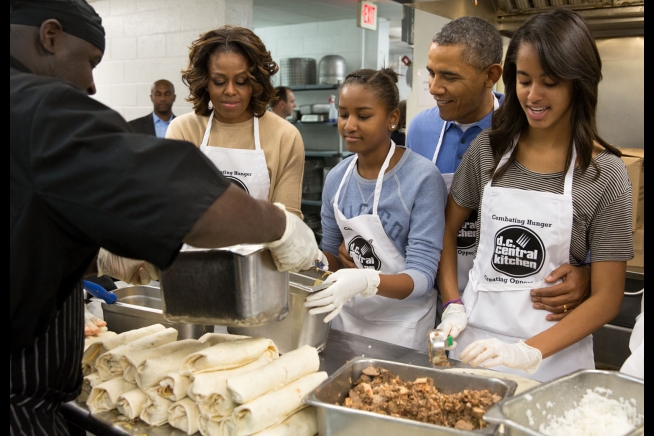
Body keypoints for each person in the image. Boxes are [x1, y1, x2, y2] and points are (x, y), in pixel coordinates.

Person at [10, 1, 324, 433]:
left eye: (242, 82)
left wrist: (91, 260)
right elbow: (173, 194)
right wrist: (279, 225)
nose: (91, 83)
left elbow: (35, 220)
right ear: (49, 36)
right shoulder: (37, 109)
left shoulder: (282, 135)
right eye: (90, 61)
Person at [437, 8, 633, 382]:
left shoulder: (603, 173)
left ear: (580, 83)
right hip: (475, 348)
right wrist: (452, 304)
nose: (534, 95)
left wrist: (527, 351)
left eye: (550, 82)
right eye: (523, 80)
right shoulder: (489, 151)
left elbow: (608, 297)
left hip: (553, 362)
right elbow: (445, 231)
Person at [404, 16, 591, 327]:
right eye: (431, 73)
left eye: (449, 76)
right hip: (432, 298)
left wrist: (587, 273)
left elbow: (579, 224)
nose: (435, 87)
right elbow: (415, 215)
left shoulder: (525, 129)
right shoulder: (420, 130)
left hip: (518, 305)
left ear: (491, 75)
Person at [304, 68, 448, 352]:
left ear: (392, 118)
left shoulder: (422, 178)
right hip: (347, 319)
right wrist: (309, 257)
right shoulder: (337, 178)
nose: (350, 125)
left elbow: (422, 278)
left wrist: (366, 279)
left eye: (364, 115)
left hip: (403, 327)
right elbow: (331, 255)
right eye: (344, 114)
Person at [167, 27, 305, 218]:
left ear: (256, 83)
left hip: (261, 248)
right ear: (205, 82)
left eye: (241, 81)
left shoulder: (285, 136)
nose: (230, 91)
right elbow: (174, 211)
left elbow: (288, 223)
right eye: (218, 81)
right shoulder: (183, 130)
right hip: (197, 247)